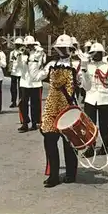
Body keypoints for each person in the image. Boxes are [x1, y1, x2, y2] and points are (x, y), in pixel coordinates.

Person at [32, 33, 80, 188]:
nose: (62, 51)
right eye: (59, 48)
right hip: (52, 107)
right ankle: (53, 175)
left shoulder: (76, 65)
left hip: (67, 107)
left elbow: (86, 85)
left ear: (70, 49)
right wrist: (34, 59)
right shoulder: (51, 65)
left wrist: (84, 69)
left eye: (64, 48)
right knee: (50, 140)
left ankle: (71, 173)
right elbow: (36, 77)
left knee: (69, 143)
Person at [81, 42, 108, 156]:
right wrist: (84, 72)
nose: (95, 55)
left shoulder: (107, 66)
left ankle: (105, 146)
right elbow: (85, 86)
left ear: (102, 53)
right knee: (90, 125)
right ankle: (91, 147)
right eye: (93, 53)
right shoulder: (87, 66)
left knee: (104, 125)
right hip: (90, 97)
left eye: (97, 53)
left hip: (105, 97)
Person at [16, 35, 44, 132]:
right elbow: (19, 68)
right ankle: (25, 122)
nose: (28, 47)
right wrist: (21, 56)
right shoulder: (22, 54)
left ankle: (34, 122)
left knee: (35, 104)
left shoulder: (38, 54)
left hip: (35, 82)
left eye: (30, 45)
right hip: (24, 82)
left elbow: (40, 65)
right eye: (27, 45)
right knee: (23, 103)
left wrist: (34, 54)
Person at [8, 37, 24, 108]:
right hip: (14, 71)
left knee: (21, 88)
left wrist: (21, 54)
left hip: (21, 71)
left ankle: (21, 101)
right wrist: (10, 68)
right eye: (17, 44)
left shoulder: (23, 52)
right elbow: (11, 61)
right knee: (13, 88)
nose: (18, 46)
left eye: (19, 44)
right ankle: (13, 101)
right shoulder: (12, 52)